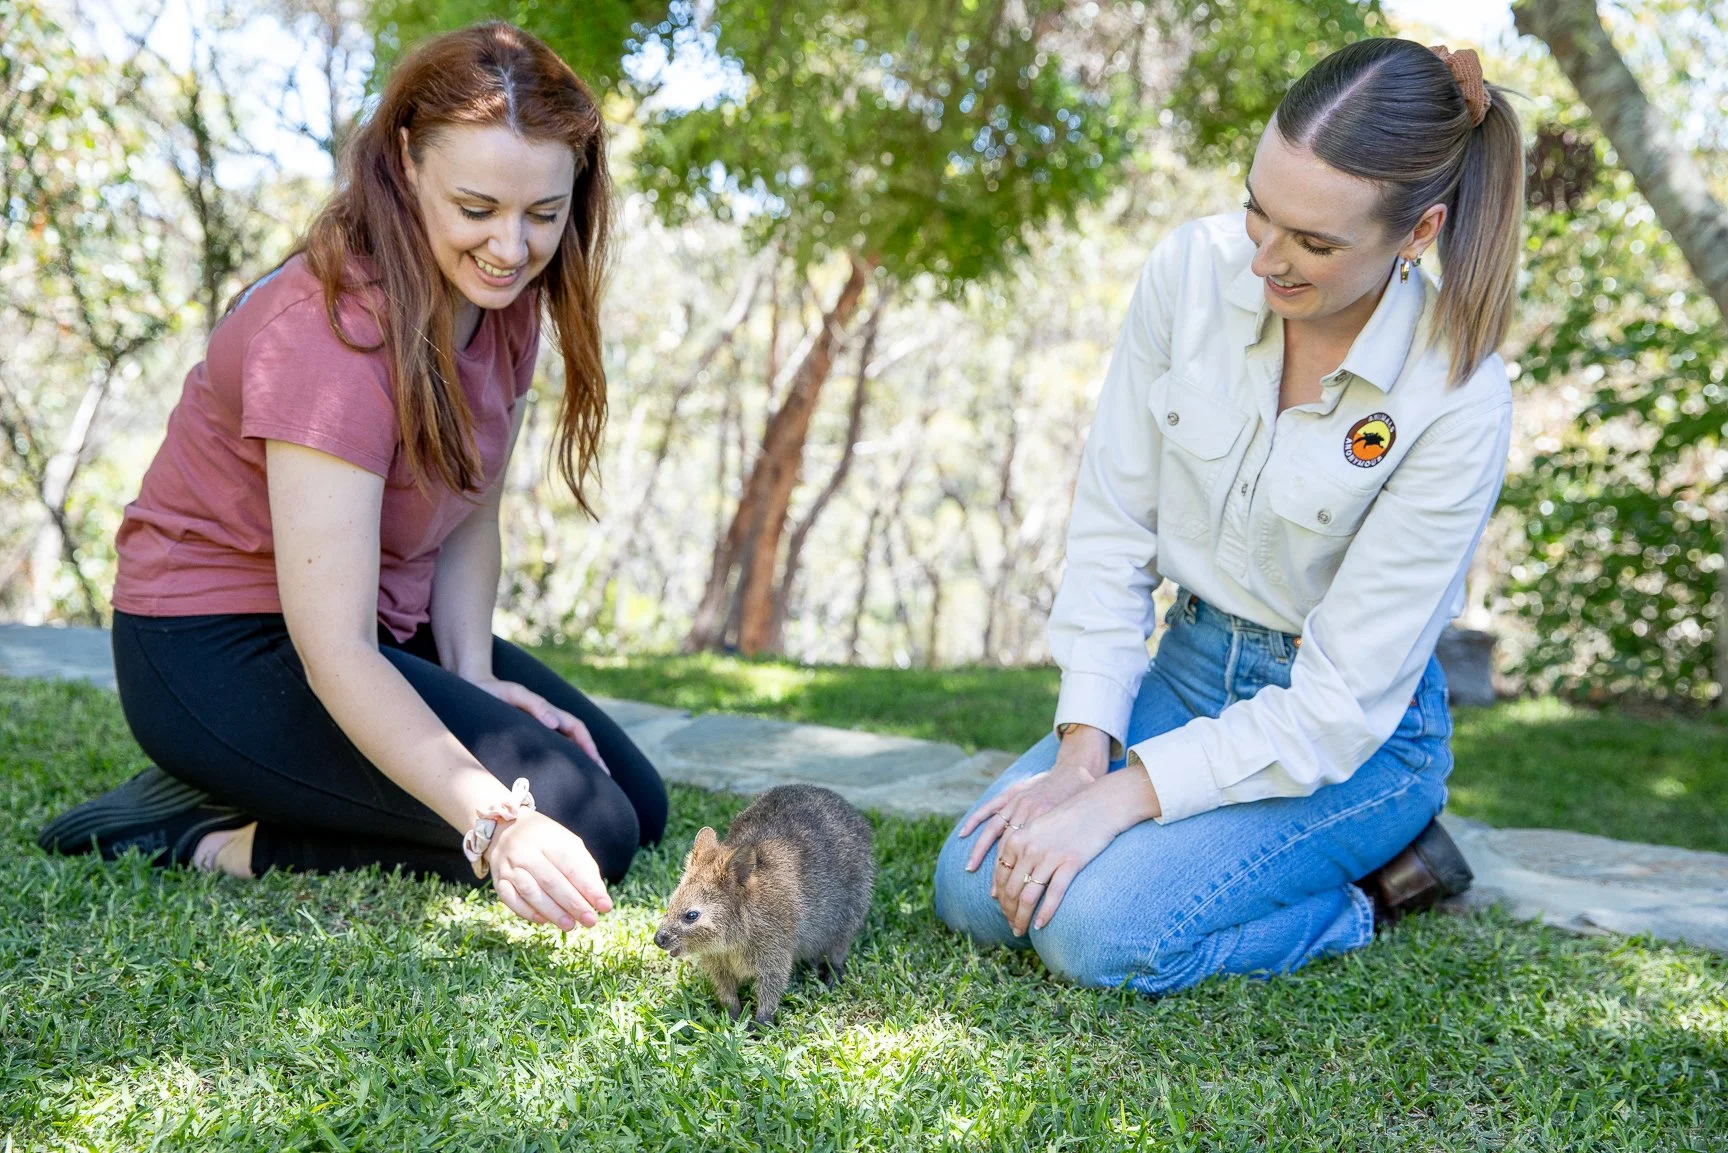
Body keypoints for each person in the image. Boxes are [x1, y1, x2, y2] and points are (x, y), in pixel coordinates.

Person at [39, 22, 666, 934]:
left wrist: (474, 674)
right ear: (407, 162)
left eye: (543, 213)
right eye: (478, 207)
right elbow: (333, 649)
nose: (510, 246)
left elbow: (470, 517)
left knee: (638, 800)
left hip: (375, 627)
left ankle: (283, 787)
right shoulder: (328, 331)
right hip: (217, 650)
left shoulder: (506, 307)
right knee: (591, 828)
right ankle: (205, 831)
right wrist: (496, 823)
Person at [933, 38, 1521, 994]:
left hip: (1351, 740)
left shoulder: (1458, 395)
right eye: (1258, 209)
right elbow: (1114, 523)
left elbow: (1336, 707)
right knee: (972, 888)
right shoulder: (1190, 272)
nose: (1265, 260)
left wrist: (1124, 797)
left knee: (1095, 932)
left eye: (1314, 244)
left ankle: (1381, 890)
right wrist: (1085, 751)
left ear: (1418, 233)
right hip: (1190, 664)